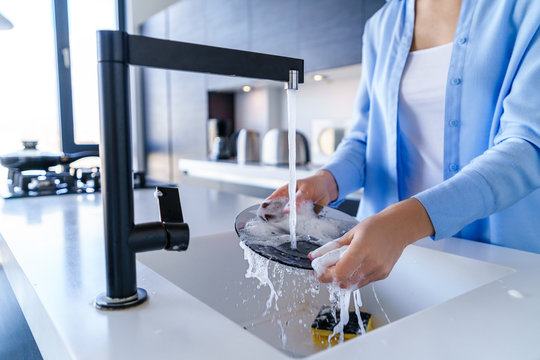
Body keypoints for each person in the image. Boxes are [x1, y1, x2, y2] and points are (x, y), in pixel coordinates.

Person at [265, 0, 540, 289]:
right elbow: (364, 137)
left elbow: (527, 146)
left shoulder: (528, 9)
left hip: (497, 262)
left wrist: (406, 222)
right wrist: (328, 180)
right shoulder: (381, 26)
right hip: (388, 262)